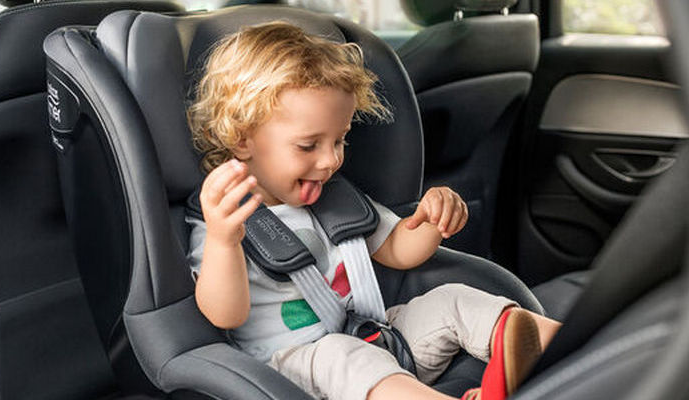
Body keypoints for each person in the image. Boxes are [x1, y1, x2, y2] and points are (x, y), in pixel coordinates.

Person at [185, 21, 561, 400]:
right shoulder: (225, 219)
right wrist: (223, 241)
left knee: (454, 299)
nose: (331, 160)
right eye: (308, 145)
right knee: (342, 355)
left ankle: (567, 350)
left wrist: (432, 220)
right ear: (242, 139)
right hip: (295, 368)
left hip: (380, 339)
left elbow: (398, 250)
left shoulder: (336, 199)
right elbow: (225, 315)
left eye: (340, 140)